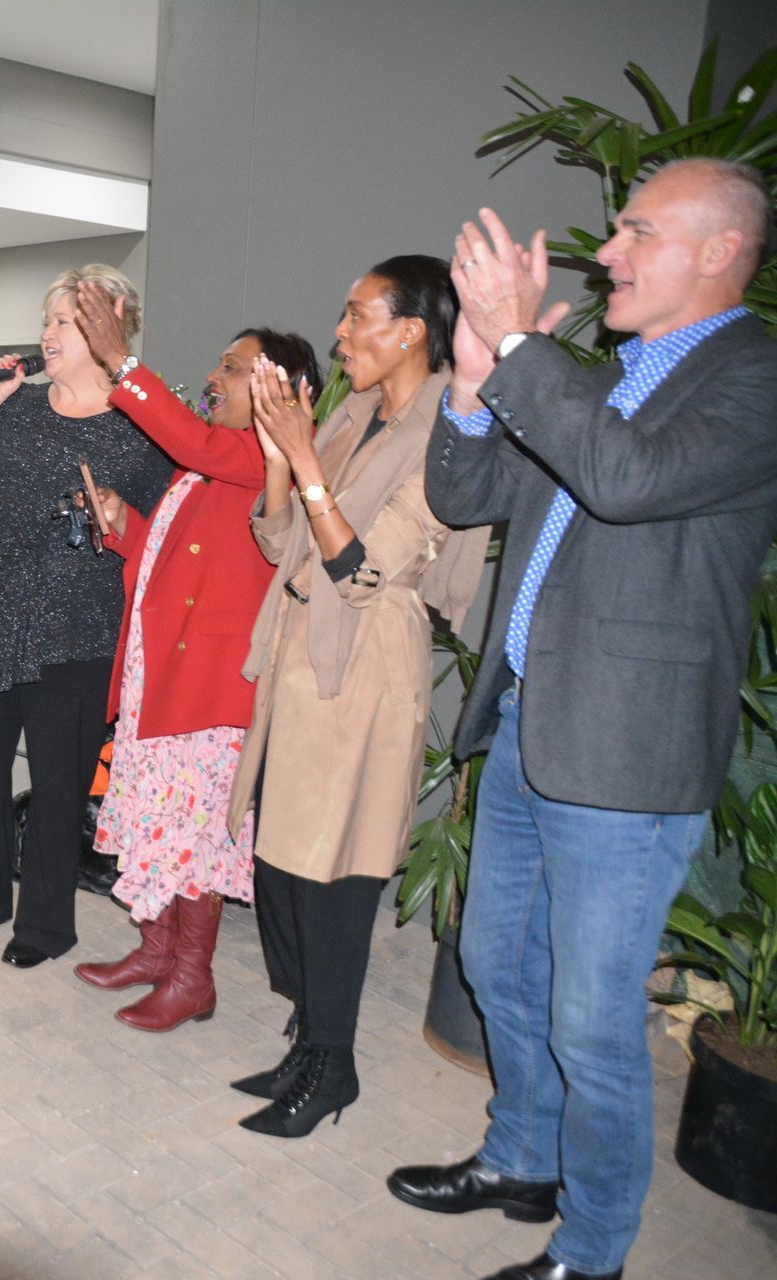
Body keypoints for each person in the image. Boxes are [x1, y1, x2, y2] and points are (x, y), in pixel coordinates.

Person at [387, 159, 777, 1280]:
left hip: (629, 754)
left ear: (716, 250)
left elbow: (625, 479)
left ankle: (595, 1247)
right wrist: (470, 382)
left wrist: (518, 347)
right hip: (528, 728)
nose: (605, 253)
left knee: (593, 1017)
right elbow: (469, 497)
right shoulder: (602, 373)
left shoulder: (751, 377)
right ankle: (520, 1155)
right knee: (500, 968)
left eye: (636, 231)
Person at [227, 255, 489, 1137]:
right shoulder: (353, 411)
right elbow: (279, 541)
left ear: (412, 328)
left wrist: (303, 460)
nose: (340, 333)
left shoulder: (451, 424)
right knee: (285, 863)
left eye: (356, 316)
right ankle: (310, 1039)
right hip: (303, 649)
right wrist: (279, 457)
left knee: (335, 871)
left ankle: (334, 1065)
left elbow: (366, 567)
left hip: (368, 658)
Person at [68, 296, 316, 1034]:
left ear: (275, 389)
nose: (214, 375)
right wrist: (122, 527)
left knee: (195, 837)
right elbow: (163, 565)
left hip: (211, 695)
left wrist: (122, 363)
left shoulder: (257, 460)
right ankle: (155, 953)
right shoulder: (204, 471)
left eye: (232, 368)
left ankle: (191, 979)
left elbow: (193, 442)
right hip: (161, 683)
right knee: (158, 824)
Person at [0, 265, 174, 969]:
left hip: (78, 631)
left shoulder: (138, 427)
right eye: (48, 321)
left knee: (61, 786)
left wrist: (121, 519)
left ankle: (46, 924)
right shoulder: (18, 405)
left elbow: (164, 528)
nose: (48, 334)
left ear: (109, 325)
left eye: (63, 321)